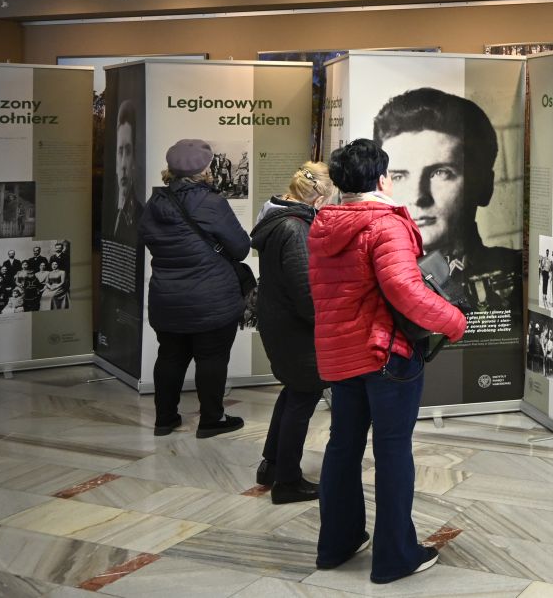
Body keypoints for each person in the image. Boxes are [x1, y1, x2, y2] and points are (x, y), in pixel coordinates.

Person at [308, 138, 467, 585]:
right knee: (393, 450)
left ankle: (337, 543)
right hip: (385, 355)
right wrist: (453, 321)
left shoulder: (324, 224)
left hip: (342, 353)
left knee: (343, 447)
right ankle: (395, 556)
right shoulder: (384, 223)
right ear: (381, 179)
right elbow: (405, 290)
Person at [139, 138, 250, 438]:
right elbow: (240, 248)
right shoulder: (212, 202)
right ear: (205, 169)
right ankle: (212, 420)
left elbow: (148, 240)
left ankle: (165, 420)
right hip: (211, 298)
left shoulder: (155, 203)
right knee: (212, 357)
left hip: (166, 297)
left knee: (170, 356)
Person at [373, 87, 520, 312]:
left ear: (484, 186)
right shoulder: (367, 278)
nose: (418, 197)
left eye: (441, 173)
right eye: (398, 176)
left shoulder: (515, 273)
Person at [251, 161, 335, 503]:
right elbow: (306, 292)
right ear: (319, 197)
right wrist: (328, 323)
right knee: (303, 397)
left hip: (279, 321)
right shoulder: (295, 228)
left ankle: (271, 466)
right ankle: (287, 481)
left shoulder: (277, 217)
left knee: (293, 392)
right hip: (295, 329)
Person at [110, 99, 144, 242]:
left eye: (128, 152)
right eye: (120, 151)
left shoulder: (140, 217)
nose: (123, 164)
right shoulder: (109, 214)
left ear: (134, 160)